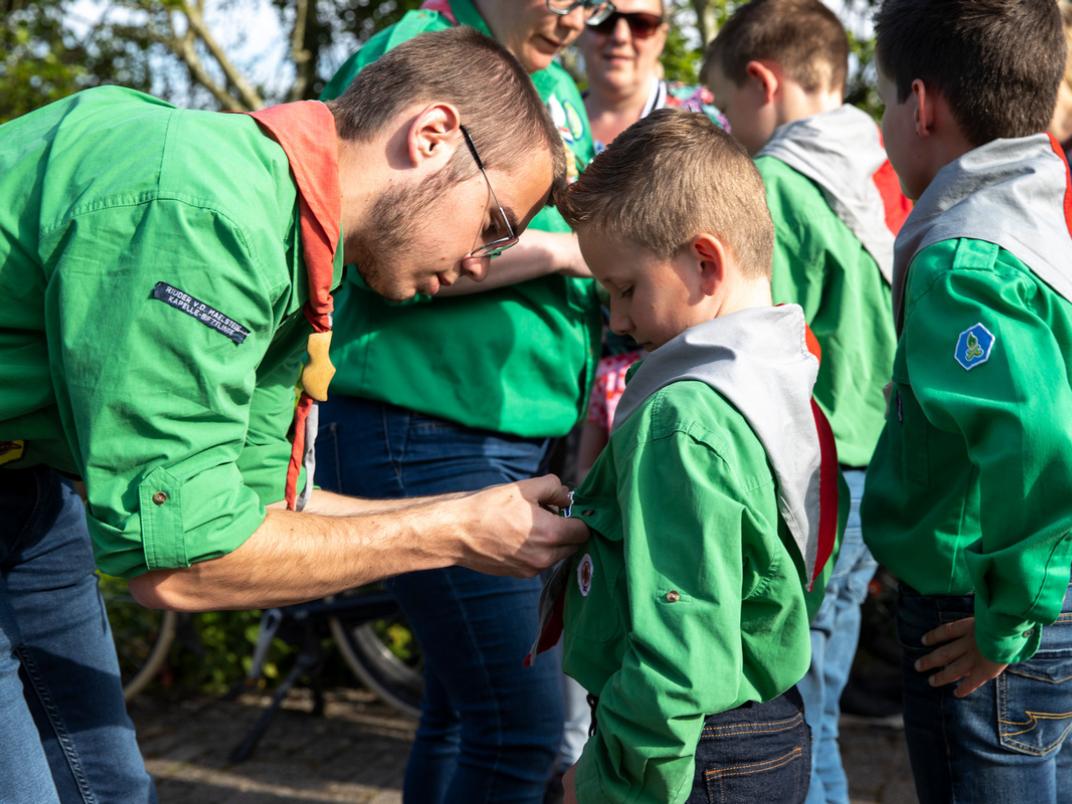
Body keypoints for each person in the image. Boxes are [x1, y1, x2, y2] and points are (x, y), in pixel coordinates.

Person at [0, 28, 588, 803]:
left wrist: (463, 515)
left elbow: (258, 509)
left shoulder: (290, 235)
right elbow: (185, 564)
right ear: (432, 136)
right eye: (497, 222)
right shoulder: (205, 216)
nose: (485, 259)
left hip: (24, 490)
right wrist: (446, 532)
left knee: (108, 789)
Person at [315, 3, 606, 802]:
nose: (581, 18)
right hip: (421, 424)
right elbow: (367, 241)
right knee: (520, 731)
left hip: (505, 435)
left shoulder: (555, 89)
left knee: (460, 712)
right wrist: (555, 250)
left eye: (600, 3)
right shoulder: (421, 49)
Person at [534, 108, 839, 804]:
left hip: (690, 754)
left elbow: (678, 648)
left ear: (704, 262)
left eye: (625, 288)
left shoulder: (682, 419)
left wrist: (612, 780)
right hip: (769, 726)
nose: (615, 319)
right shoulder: (791, 381)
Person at [861, 1, 1072, 801]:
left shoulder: (965, 262)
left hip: (978, 609)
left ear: (922, 107)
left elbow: (1042, 442)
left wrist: (1003, 624)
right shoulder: (1036, 207)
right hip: (1031, 589)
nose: (882, 120)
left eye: (881, 100)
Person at [701, 2, 911, 798]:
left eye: (724, 107)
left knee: (799, 706)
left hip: (817, 476)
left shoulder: (781, 182)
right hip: (877, 460)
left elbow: (763, 343)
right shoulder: (878, 161)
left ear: (763, 82)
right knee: (824, 685)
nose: (730, 125)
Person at [578, 0, 726, 154]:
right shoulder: (555, 111)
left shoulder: (707, 117)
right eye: (604, 19)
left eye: (641, 23)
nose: (620, 36)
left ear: (661, 37)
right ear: (580, 27)